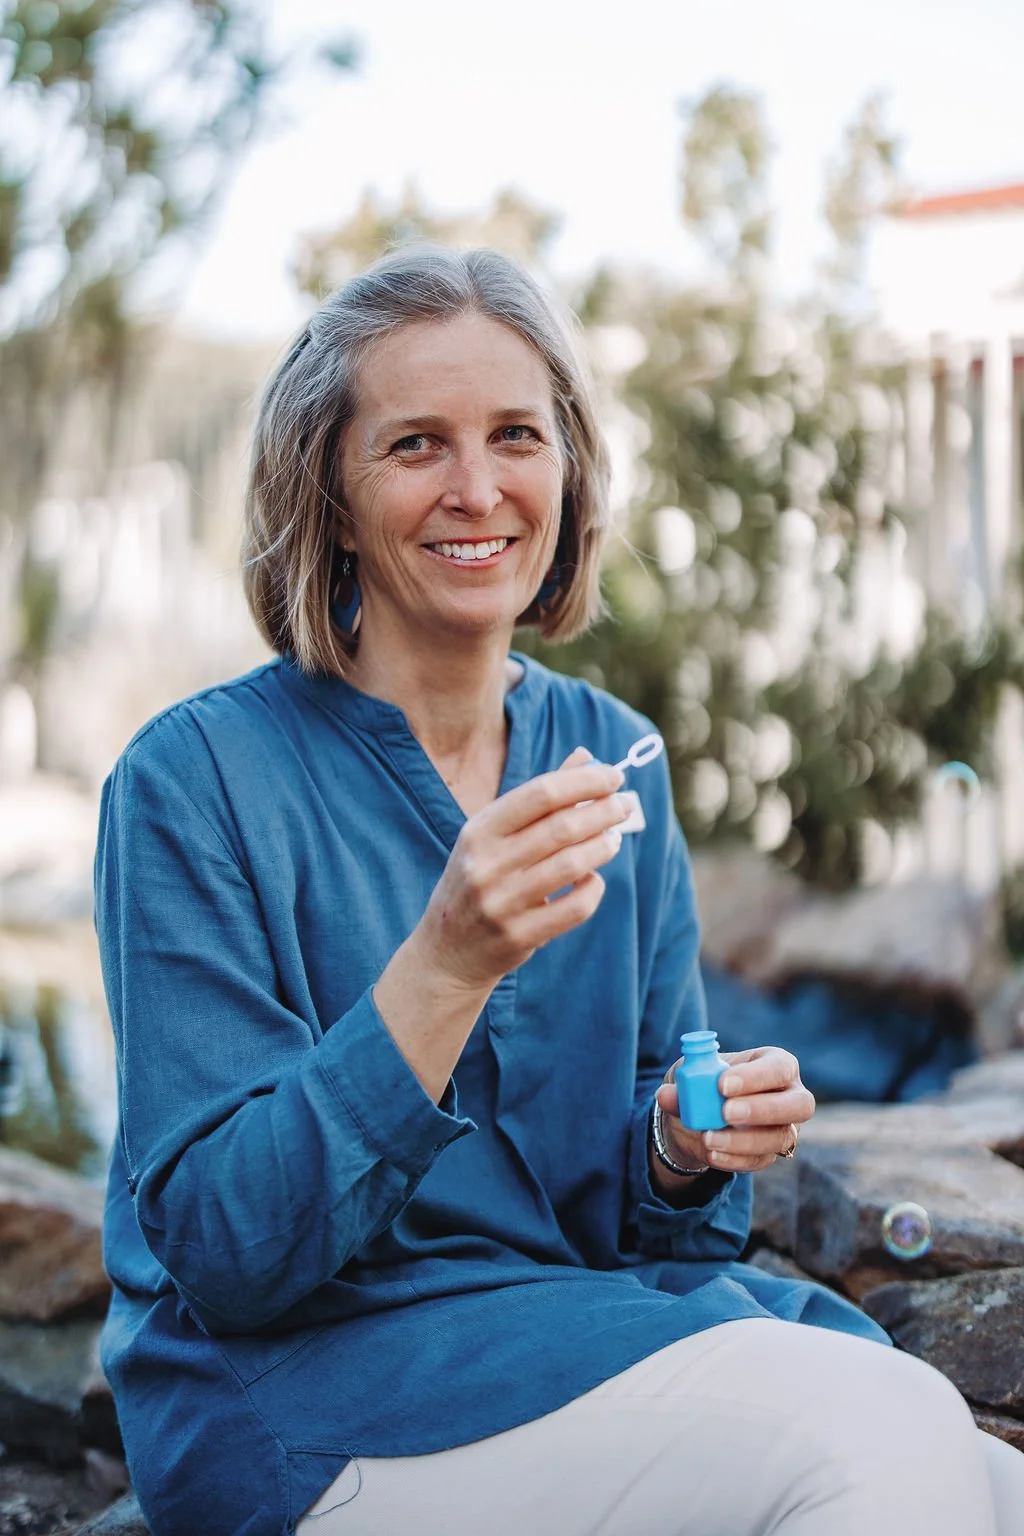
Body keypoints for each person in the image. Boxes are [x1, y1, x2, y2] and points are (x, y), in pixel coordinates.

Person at [94, 246, 1024, 1536]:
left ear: (568, 470)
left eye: (516, 436)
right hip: (314, 1393)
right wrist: (446, 967)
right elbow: (228, 1255)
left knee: (997, 1486)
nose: (477, 489)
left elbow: (652, 1221)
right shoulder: (192, 782)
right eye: (415, 444)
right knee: (878, 1430)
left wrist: (682, 1150)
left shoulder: (613, 754)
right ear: (329, 495)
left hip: (574, 1339)